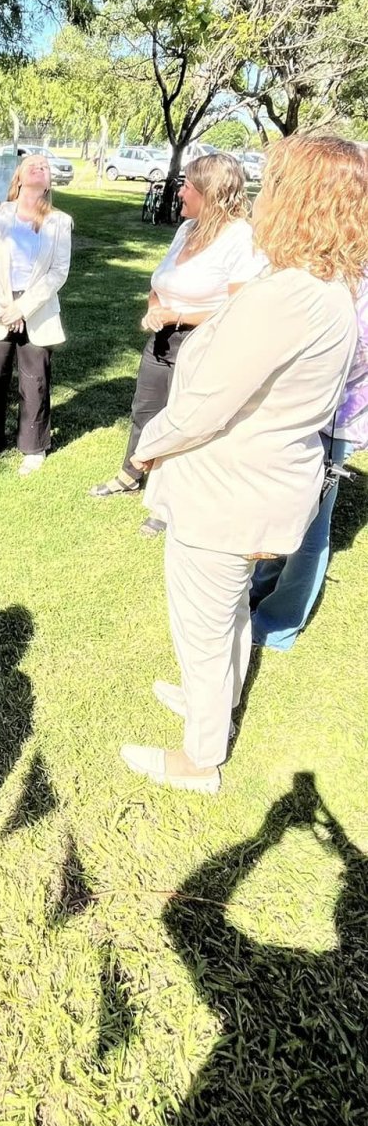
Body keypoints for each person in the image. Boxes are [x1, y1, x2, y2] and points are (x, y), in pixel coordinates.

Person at [120, 135, 368, 795]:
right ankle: (216, 702)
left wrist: (150, 445)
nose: (261, 199)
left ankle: (201, 758)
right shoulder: (331, 287)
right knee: (224, 613)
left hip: (230, 485)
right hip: (264, 479)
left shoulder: (290, 295)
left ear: (298, 200)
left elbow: (207, 402)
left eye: (274, 184)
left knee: (203, 619)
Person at [89, 155, 263, 535]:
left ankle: (169, 503)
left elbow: (237, 309)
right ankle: (131, 473)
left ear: (211, 193)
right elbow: (160, 280)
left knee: (184, 422)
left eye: (188, 186)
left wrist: (177, 317)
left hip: (203, 346)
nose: (180, 190)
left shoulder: (241, 239)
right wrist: (155, 309)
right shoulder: (187, 230)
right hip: (163, 339)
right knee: (146, 411)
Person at [249, 273, 368, 650]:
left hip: (340, 420)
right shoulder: (347, 271)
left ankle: (278, 623)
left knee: (312, 524)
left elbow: (355, 349)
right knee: (286, 510)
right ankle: (261, 591)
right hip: (308, 412)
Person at [0, 155, 73, 475]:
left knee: (35, 379)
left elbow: (58, 272)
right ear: (19, 177)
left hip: (37, 307)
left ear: (49, 182)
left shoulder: (60, 221)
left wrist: (23, 307)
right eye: (33, 165)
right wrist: (4, 305)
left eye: (45, 167)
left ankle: (33, 446)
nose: (40, 168)